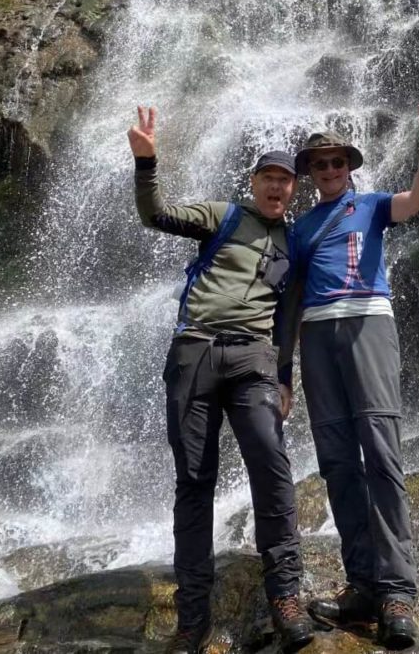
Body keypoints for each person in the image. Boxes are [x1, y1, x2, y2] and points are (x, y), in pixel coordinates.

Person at [127, 106, 314, 654]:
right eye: (268, 178)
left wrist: (285, 378)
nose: (276, 187)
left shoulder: (295, 243)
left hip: (255, 359)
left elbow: (290, 317)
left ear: (292, 191)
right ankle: (193, 619)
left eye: (284, 181)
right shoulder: (222, 215)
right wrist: (146, 163)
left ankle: (286, 597)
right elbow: (154, 214)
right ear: (254, 182)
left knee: (272, 465)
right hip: (195, 354)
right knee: (194, 479)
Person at [277, 103, 419, 651]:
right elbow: (291, 302)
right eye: (320, 164)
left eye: (336, 161)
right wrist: (282, 374)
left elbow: (417, 200)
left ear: (348, 166)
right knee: (336, 461)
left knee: (380, 450)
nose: (328, 169)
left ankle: (398, 591)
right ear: (310, 173)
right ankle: (363, 585)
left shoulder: (372, 205)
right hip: (318, 340)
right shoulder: (299, 229)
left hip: (368, 322)